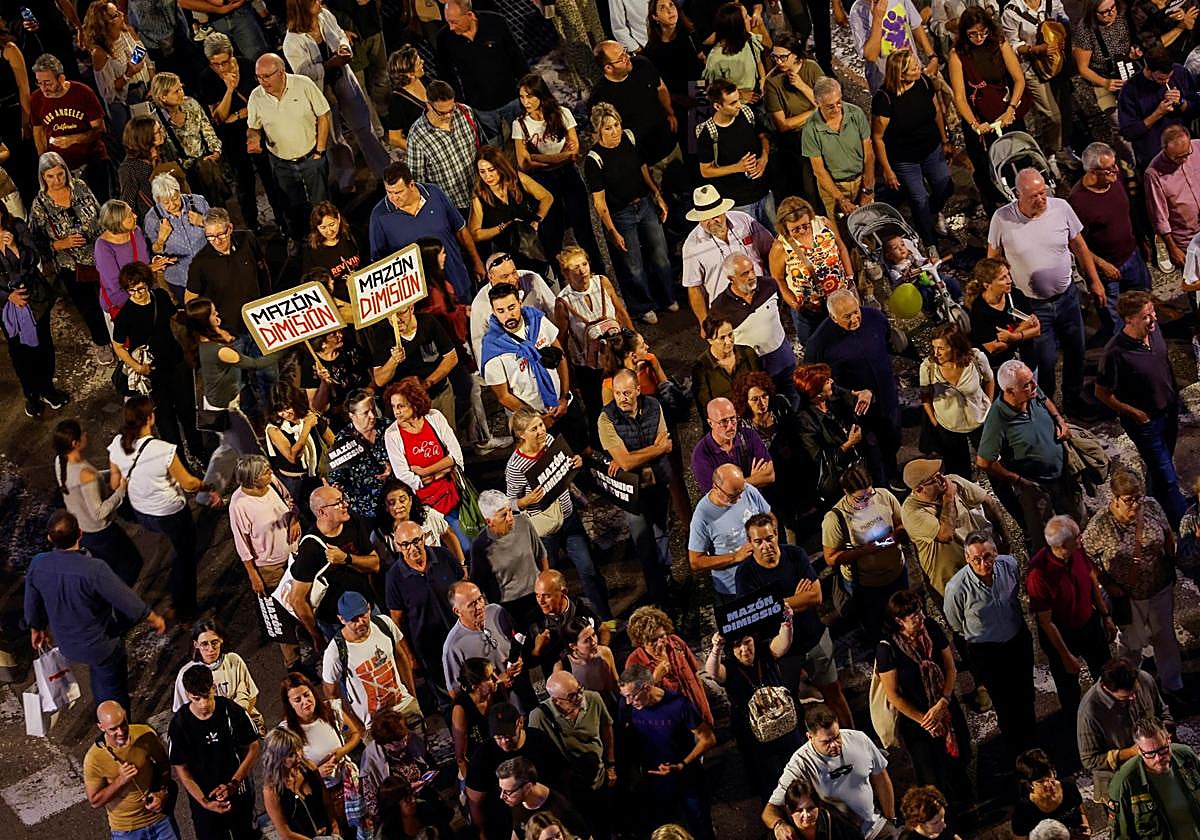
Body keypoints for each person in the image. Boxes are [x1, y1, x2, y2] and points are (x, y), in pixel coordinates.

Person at [987, 167, 1104, 414]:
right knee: (1045, 361)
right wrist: (997, 295)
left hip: (1067, 298)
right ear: (1018, 195)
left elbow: (1080, 247)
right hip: (1033, 307)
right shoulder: (1002, 219)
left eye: (1043, 193)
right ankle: (1046, 407)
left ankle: (1073, 399)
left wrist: (1094, 280)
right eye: (1034, 196)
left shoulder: (1060, 208)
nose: (1041, 200)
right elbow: (992, 260)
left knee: (1076, 351)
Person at [25, 510, 165, 711]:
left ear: (49, 538)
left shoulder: (39, 564)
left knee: (100, 676)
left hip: (66, 643)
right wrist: (151, 616)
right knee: (111, 689)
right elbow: (124, 598)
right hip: (100, 645)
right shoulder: (93, 569)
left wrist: (36, 627)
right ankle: (117, 730)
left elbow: (32, 600)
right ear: (80, 533)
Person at [108, 395, 217, 622]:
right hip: (170, 513)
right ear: (150, 418)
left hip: (142, 511)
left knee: (179, 550)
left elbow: (114, 484)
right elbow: (188, 483)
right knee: (186, 558)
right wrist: (207, 486)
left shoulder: (118, 443)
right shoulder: (162, 449)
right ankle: (184, 609)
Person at [1082, 470, 1183, 699]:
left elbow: (1167, 533)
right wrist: (1106, 583)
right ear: (1114, 498)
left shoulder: (1152, 506)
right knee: (1130, 645)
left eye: (1138, 497)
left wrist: (1172, 558)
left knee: (1165, 638)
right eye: (1129, 500)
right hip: (1128, 597)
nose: (1136, 505)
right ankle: (1129, 690)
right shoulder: (1100, 525)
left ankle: (1173, 685)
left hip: (1160, 588)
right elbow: (1085, 557)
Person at [506, 410, 610, 618]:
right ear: (521, 434)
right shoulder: (515, 466)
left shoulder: (551, 441)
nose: (540, 431)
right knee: (550, 583)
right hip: (545, 533)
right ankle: (561, 625)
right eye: (533, 429)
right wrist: (526, 501)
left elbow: (564, 468)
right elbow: (510, 502)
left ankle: (605, 620)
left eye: (541, 426)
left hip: (569, 518)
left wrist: (576, 463)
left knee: (589, 570)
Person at [944, 531, 1038, 759]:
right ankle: (1017, 751)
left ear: (996, 553)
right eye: (976, 559)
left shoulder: (1009, 566)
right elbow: (955, 622)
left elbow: (1017, 594)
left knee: (1026, 692)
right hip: (987, 651)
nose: (983, 563)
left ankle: (1034, 740)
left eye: (988, 556)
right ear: (967, 559)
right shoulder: (957, 588)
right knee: (1004, 701)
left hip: (1016, 640)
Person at [1095, 291, 1186, 524]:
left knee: (1159, 469)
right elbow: (1102, 393)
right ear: (1129, 320)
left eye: (1153, 312)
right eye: (1146, 316)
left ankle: (1153, 507)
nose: (1153, 319)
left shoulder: (1155, 333)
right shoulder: (1115, 353)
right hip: (1146, 423)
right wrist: (1135, 413)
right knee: (1168, 476)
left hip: (1169, 410)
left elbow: (1164, 366)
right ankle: (1185, 524)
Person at [876, 590, 972, 812]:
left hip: (945, 707)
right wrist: (927, 721)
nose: (921, 618)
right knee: (931, 773)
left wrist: (943, 701)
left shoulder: (932, 629)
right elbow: (894, 696)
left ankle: (966, 807)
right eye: (914, 616)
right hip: (917, 720)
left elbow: (950, 667)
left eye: (920, 611)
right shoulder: (886, 649)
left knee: (960, 758)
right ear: (899, 621)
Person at [976, 359, 1083, 551]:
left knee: (1073, 521)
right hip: (1037, 488)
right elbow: (984, 462)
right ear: (1009, 392)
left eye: (1032, 380)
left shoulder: (1031, 393)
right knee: (1045, 538)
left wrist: (1059, 420)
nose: (1034, 385)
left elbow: (1045, 399)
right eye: (1027, 384)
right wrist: (1017, 479)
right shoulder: (997, 419)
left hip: (1061, 475)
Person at [585, 102, 677, 323]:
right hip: (621, 214)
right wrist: (612, 231)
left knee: (660, 253)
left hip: (644, 204)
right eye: (608, 128)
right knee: (633, 265)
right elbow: (600, 202)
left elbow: (643, 169)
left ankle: (668, 297)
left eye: (616, 125)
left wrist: (657, 195)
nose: (614, 131)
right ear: (598, 131)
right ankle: (643, 306)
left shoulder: (629, 139)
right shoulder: (594, 160)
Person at [282, 0, 390, 187]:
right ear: (301, 7)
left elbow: (339, 35)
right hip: (321, 89)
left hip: (342, 77)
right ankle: (346, 178)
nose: (319, 2)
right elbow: (303, 73)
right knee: (333, 136)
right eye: (314, 1)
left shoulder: (324, 16)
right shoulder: (292, 41)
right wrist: (330, 64)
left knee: (363, 125)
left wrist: (344, 46)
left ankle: (384, 170)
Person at [807, 289, 901, 489]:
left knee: (892, 439)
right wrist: (849, 395)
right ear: (833, 317)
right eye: (847, 316)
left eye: (856, 311)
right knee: (871, 452)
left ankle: (893, 476)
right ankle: (879, 489)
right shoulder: (819, 344)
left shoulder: (874, 317)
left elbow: (887, 344)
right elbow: (816, 381)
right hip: (856, 411)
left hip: (886, 397)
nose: (855, 318)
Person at [763, 704, 899, 840]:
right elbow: (770, 810)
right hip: (840, 835)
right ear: (810, 737)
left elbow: (880, 777)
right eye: (826, 742)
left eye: (836, 737)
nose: (834, 745)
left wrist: (891, 818)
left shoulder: (859, 739)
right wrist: (779, 825)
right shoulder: (800, 762)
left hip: (876, 827)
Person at [705, 611, 802, 801]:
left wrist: (787, 623)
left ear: (754, 641)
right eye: (737, 646)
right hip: (753, 735)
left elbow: (783, 644)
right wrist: (716, 648)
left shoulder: (765, 652)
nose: (744, 650)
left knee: (798, 764)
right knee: (768, 778)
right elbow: (713, 672)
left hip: (785, 726)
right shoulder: (730, 668)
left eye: (747, 642)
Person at [482, 282, 589, 454]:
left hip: (565, 405)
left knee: (584, 450)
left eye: (511, 307)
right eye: (500, 311)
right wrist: (537, 419)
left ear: (520, 302)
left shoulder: (537, 320)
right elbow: (503, 396)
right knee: (554, 465)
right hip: (536, 423)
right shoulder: (492, 348)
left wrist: (564, 396)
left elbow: (560, 356)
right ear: (493, 311)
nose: (508, 315)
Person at [197, 31, 288, 233]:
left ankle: (283, 223)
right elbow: (219, 118)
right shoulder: (207, 78)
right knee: (244, 182)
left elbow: (262, 102)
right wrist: (229, 90)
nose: (221, 68)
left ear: (232, 55)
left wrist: (235, 114)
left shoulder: (248, 66)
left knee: (270, 177)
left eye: (224, 62)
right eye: (215, 64)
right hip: (232, 138)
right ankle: (252, 227)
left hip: (257, 129)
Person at [599, 369, 676, 603]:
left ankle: (670, 584)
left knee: (663, 535)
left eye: (626, 393)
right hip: (633, 494)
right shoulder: (606, 419)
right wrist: (657, 449)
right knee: (645, 546)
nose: (621, 398)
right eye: (618, 393)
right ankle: (658, 597)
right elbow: (626, 461)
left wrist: (632, 456)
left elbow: (664, 443)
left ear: (638, 390)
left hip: (658, 483)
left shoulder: (653, 406)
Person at [28, 151, 111, 366]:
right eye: (50, 176)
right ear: (42, 177)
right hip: (70, 264)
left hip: (99, 253)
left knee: (110, 297)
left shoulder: (81, 187)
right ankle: (101, 341)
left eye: (60, 174)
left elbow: (100, 213)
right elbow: (34, 242)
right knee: (88, 306)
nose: (57, 181)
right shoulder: (40, 205)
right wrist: (58, 244)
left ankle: (119, 336)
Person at [513, 74, 603, 270]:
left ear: (541, 95)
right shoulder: (519, 124)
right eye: (522, 97)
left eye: (530, 96)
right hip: (543, 182)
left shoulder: (562, 114)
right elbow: (524, 164)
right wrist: (557, 158)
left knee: (583, 229)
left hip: (568, 175)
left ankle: (597, 273)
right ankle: (562, 279)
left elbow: (573, 154)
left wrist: (537, 158)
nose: (526, 102)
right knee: (551, 233)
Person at [619, 663, 717, 840]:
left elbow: (708, 738)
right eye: (624, 696)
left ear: (647, 688)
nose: (628, 702)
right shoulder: (628, 705)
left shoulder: (679, 705)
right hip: (654, 784)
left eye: (631, 696)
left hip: (688, 779)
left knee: (701, 828)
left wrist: (682, 764)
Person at [112, 262, 201, 457]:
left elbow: (173, 315)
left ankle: (198, 451)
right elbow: (118, 346)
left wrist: (197, 316)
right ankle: (179, 463)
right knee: (165, 419)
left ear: (148, 283)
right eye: (131, 290)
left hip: (175, 360)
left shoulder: (159, 296)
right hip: (152, 371)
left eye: (140, 288)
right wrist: (138, 367)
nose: (137, 293)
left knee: (187, 411)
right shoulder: (125, 315)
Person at [245, 52, 331, 243]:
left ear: (281, 72)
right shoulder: (256, 96)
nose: (262, 81)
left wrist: (320, 151)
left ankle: (328, 240)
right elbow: (253, 127)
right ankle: (302, 244)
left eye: (267, 76)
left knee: (322, 204)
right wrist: (253, 139)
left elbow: (323, 115)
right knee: (293, 208)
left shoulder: (303, 85)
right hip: (282, 164)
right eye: (258, 77)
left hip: (311, 158)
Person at [369, 160, 485, 301]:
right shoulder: (379, 216)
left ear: (411, 184)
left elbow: (460, 229)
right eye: (389, 192)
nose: (394, 198)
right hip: (424, 300)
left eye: (398, 192)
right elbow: (380, 261)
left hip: (458, 281)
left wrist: (477, 261)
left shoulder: (434, 193)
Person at [169, 664, 261, 840]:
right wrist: (204, 802)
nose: (203, 704)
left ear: (213, 687)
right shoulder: (179, 725)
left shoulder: (231, 711)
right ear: (187, 695)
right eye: (196, 698)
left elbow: (253, 746)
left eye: (206, 696)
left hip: (238, 794)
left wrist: (234, 783)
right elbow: (181, 769)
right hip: (204, 801)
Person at [872, 48, 952, 248]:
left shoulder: (923, 82)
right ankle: (930, 242)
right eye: (914, 67)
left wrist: (945, 140)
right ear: (901, 74)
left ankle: (935, 211)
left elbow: (936, 112)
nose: (919, 67)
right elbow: (878, 138)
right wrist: (888, 170)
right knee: (919, 200)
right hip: (905, 159)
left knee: (944, 185)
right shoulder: (884, 99)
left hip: (931, 149)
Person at [948, 7, 1027, 210]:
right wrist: (975, 124)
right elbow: (960, 97)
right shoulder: (958, 55)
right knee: (987, 167)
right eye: (972, 34)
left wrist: (1011, 109)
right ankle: (997, 207)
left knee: (1019, 158)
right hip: (979, 117)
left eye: (982, 32)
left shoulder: (998, 43)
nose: (978, 37)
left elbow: (1019, 79)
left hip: (1005, 110)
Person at [228, 455, 302, 669]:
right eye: (264, 472)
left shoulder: (273, 484)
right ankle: (293, 662)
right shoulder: (239, 505)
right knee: (281, 614)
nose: (270, 474)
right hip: (269, 567)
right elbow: (242, 543)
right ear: (251, 480)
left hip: (293, 556)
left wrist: (294, 519)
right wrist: (253, 574)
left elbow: (290, 502)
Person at [1069, 141, 1149, 339]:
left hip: (1132, 257)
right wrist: (1102, 266)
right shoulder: (1078, 202)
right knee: (1116, 321)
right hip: (1107, 271)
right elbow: (1077, 244)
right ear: (1093, 172)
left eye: (1115, 165)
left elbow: (1129, 213)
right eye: (1109, 169)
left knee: (1144, 306)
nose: (1115, 171)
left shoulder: (1115, 180)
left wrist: (1141, 241)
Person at [822, 462, 908, 642]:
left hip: (897, 573)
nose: (867, 502)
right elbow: (830, 558)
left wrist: (895, 537)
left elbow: (900, 522)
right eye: (860, 499)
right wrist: (864, 551)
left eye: (869, 494)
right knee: (876, 628)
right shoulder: (836, 518)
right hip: (867, 585)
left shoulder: (883, 495)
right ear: (846, 493)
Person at [900, 458, 1007, 601]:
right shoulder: (912, 511)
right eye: (934, 479)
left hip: (980, 561)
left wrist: (1005, 539)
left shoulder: (952, 481)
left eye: (939, 473)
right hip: (954, 577)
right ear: (919, 489)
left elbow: (988, 501)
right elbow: (946, 534)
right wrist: (949, 497)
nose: (942, 479)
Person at [0, 198, 69, 419]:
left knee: (43, 345)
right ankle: (31, 395)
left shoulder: (17, 226)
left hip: (34, 296)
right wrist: (8, 296)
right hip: (7, 305)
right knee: (19, 352)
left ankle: (48, 389)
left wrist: (13, 247)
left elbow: (34, 256)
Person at [51, 420, 142, 586]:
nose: (86, 435)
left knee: (109, 570)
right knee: (131, 565)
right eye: (83, 433)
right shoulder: (86, 475)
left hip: (82, 529)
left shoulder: (60, 461)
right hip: (100, 533)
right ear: (75, 443)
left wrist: (111, 473)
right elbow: (99, 512)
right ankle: (120, 603)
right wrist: (121, 490)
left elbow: (89, 480)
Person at [290, 483, 380, 647]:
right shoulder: (310, 548)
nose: (345, 505)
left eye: (343, 499)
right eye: (338, 503)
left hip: (368, 610)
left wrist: (346, 559)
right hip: (338, 625)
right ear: (322, 512)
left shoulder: (353, 522)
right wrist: (316, 636)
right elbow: (296, 599)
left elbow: (375, 564)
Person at [588, 41, 681, 193]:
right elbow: (603, 137)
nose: (627, 58)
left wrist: (670, 112)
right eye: (621, 58)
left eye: (625, 52)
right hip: (645, 161)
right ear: (608, 67)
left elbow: (661, 88)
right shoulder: (601, 98)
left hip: (670, 144)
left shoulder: (642, 65)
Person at [1078, 656, 1174, 800]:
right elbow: (1089, 760)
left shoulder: (1145, 680)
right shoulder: (1089, 712)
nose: (1134, 698)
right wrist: (1131, 752)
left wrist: (1163, 736)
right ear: (1106, 688)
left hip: (1157, 769)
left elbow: (1163, 712)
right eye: (1126, 697)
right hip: (1121, 782)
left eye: (1136, 691)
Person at [465, 702, 565, 840]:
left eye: (508, 735)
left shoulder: (538, 740)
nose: (504, 741)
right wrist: (482, 833)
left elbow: (560, 776)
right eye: (498, 737)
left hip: (545, 820)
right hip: (504, 825)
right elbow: (475, 800)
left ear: (520, 722)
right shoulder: (483, 756)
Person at [322, 590, 420, 731]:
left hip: (404, 706)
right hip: (374, 723)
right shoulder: (335, 651)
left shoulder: (384, 624)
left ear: (369, 608)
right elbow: (331, 694)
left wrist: (412, 695)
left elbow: (401, 657)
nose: (360, 622)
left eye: (363, 616)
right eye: (353, 620)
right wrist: (357, 728)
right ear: (342, 620)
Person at [682, 185, 775, 332]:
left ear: (724, 210)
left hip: (761, 297)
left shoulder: (744, 221)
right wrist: (704, 323)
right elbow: (694, 288)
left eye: (715, 215)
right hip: (727, 311)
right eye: (705, 218)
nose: (712, 221)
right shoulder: (692, 245)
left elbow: (771, 250)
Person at [279, 670, 363, 831]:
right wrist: (316, 773)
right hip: (322, 799)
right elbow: (288, 778)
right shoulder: (287, 732)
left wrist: (342, 751)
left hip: (349, 787)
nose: (305, 701)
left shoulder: (331, 709)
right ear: (289, 704)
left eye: (306, 694)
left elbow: (355, 734)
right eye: (297, 700)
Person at [436, 0, 528, 142]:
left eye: (454, 22)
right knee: (493, 147)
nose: (451, 27)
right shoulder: (444, 38)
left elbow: (516, 57)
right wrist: (460, 104)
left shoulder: (496, 23)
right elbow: (446, 75)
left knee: (525, 138)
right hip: (480, 108)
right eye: (448, 22)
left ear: (470, 15)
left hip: (511, 99)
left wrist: (528, 87)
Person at [84, 700, 177, 840]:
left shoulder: (145, 734)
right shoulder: (94, 759)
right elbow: (95, 801)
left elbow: (164, 766)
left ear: (126, 715)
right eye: (113, 729)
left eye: (123, 724)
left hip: (160, 820)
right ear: (101, 727)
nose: (121, 732)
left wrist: (162, 793)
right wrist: (121, 780)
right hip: (127, 830)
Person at [793, 362, 879, 510]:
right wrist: (849, 443)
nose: (831, 382)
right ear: (818, 394)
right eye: (827, 381)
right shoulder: (804, 421)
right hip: (839, 482)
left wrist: (867, 394)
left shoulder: (834, 395)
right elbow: (819, 459)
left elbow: (861, 401)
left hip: (861, 465)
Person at [710, 254, 796, 396]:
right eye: (744, 274)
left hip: (782, 357)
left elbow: (779, 309)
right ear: (731, 279)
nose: (751, 276)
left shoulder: (769, 285)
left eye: (752, 270)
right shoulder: (720, 308)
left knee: (793, 398)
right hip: (752, 367)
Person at [30, 53, 112, 203]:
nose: (43, 88)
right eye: (39, 83)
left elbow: (100, 130)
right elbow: (38, 132)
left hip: (92, 161)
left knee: (100, 203)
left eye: (48, 83)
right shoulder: (36, 99)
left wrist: (73, 139)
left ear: (61, 78)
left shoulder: (83, 92)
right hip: (61, 170)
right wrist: (44, 161)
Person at [696, 79, 774, 230]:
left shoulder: (747, 113)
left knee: (776, 237)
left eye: (738, 100)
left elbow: (763, 136)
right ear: (718, 106)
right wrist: (738, 167)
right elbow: (705, 171)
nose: (738, 105)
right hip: (738, 202)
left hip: (764, 193)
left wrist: (764, 158)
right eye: (732, 103)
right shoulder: (709, 134)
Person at [919, 323, 994, 478]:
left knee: (992, 465)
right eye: (934, 347)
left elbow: (989, 380)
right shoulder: (928, 367)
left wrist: (989, 405)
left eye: (941, 348)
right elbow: (925, 396)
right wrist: (935, 423)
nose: (936, 353)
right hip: (949, 425)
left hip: (979, 420)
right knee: (959, 472)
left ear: (955, 346)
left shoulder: (976, 358)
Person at [689, 462, 771, 601]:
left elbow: (769, 517)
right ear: (716, 488)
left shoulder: (747, 490)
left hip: (765, 576)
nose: (740, 498)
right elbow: (696, 561)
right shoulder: (702, 516)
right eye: (733, 495)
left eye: (741, 491)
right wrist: (735, 556)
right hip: (734, 590)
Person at [1108, 715, 1200, 838]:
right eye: (1150, 754)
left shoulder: (1186, 757)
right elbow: (1122, 835)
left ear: (1169, 740)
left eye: (1162, 749)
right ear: (1139, 751)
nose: (1158, 758)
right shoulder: (1125, 782)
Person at [147, 73, 229, 205]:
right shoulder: (155, 120)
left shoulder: (191, 104)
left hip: (204, 165)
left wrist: (215, 151)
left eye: (181, 88)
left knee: (216, 202)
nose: (181, 93)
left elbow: (207, 128)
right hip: (180, 174)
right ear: (163, 97)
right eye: (176, 91)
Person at [468, 145, 553, 272]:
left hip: (531, 246)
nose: (488, 176)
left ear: (500, 167)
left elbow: (547, 197)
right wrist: (503, 227)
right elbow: (475, 234)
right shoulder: (479, 196)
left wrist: (537, 220)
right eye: (482, 171)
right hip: (506, 254)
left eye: (491, 170)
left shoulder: (517, 179)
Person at [801, 77, 875, 222]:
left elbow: (869, 155)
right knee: (841, 231)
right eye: (830, 106)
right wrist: (841, 199)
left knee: (868, 226)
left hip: (861, 180)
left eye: (838, 103)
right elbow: (819, 171)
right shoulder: (811, 129)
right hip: (834, 187)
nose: (836, 109)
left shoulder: (856, 114)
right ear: (817, 103)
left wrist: (868, 189)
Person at [170, 619, 264, 734]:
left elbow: (251, 696)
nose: (210, 649)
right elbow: (182, 713)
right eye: (204, 644)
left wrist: (237, 722)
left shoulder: (234, 661)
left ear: (221, 640)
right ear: (196, 645)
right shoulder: (187, 674)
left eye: (214, 642)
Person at [407, 80, 484, 217]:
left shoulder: (465, 112)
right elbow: (418, 180)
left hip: (481, 193)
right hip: (454, 206)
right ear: (429, 106)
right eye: (442, 113)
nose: (449, 116)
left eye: (451, 109)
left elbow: (482, 147)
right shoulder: (417, 136)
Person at [625, 605, 712, 725]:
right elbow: (637, 701)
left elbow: (696, 676)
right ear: (641, 641)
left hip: (697, 712)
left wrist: (706, 713)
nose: (661, 642)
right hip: (674, 722)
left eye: (662, 636)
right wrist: (654, 678)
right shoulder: (635, 662)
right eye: (653, 640)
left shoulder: (676, 643)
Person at [763, 34, 824, 204]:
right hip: (798, 140)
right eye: (775, 57)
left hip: (823, 130)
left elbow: (826, 102)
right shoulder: (772, 82)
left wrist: (802, 86)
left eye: (783, 57)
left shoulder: (811, 68)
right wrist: (813, 112)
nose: (778, 61)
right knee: (809, 186)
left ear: (795, 55)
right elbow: (783, 125)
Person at [1000, 0, 1065, 159]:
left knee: (1063, 108)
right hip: (1031, 69)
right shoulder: (1012, 11)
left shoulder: (1051, 2)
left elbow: (1062, 20)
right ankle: (1051, 154)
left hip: (1057, 62)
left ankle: (1062, 147)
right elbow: (1012, 46)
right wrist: (1036, 49)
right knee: (1052, 115)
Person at [1073, 0, 1139, 154]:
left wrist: (1134, 53)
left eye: (1113, 8)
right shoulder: (1085, 29)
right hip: (1104, 78)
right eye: (1105, 12)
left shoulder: (1123, 16)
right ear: (1094, 13)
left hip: (1128, 70)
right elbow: (1082, 68)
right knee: (1120, 125)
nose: (1111, 13)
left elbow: (1133, 41)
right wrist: (1105, 82)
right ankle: (1129, 167)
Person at [1118, 45, 1200, 168]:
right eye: (1161, 78)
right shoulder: (1130, 90)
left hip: (1186, 150)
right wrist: (1158, 113)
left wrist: (1182, 102)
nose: (1166, 81)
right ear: (1149, 70)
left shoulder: (1180, 72)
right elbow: (1129, 132)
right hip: (1156, 158)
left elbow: (1196, 109)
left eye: (1169, 76)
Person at [442, 581, 524, 695]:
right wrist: (496, 684)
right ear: (457, 611)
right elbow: (455, 692)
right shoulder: (453, 647)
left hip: (523, 687)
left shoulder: (497, 612)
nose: (480, 606)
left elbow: (516, 639)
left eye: (480, 599)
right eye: (472, 604)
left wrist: (518, 659)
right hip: (496, 706)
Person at [327, 390, 392, 529]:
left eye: (373, 409)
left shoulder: (387, 427)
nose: (372, 416)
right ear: (352, 416)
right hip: (366, 512)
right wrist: (337, 489)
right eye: (365, 413)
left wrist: (394, 467)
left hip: (394, 503)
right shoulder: (343, 440)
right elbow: (336, 480)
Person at [261, 726, 339, 840]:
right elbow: (285, 833)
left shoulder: (309, 767)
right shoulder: (271, 790)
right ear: (278, 758)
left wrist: (335, 828)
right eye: (291, 755)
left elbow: (327, 802)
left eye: (299, 749)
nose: (299, 756)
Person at [965, 256, 1041, 370]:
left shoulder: (1016, 295)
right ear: (987, 285)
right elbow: (994, 349)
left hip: (1028, 362)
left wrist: (1011, 337)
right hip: (1002, 368)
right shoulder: (979, 310)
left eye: (1008, 275)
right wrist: (1023, 328)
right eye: (1002, 278)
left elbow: (1037, 329)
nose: (1009, 280)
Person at [143, 173, 209, 301]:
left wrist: (203, 222)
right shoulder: (152, 218)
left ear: (179, 191)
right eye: (166, 202)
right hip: (180, 278)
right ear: (158, 200)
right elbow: (155, 252)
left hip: (210, 269)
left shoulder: (198, 202)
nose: (172, 205)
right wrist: (161, 239)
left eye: (175, 198)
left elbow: (218, 228)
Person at [850, 0, 938, 93]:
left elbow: (915, 25)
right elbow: (871, 56)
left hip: (913, 73)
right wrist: (878, 18)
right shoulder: (857, 12)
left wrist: (932, 57)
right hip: (887, 84)